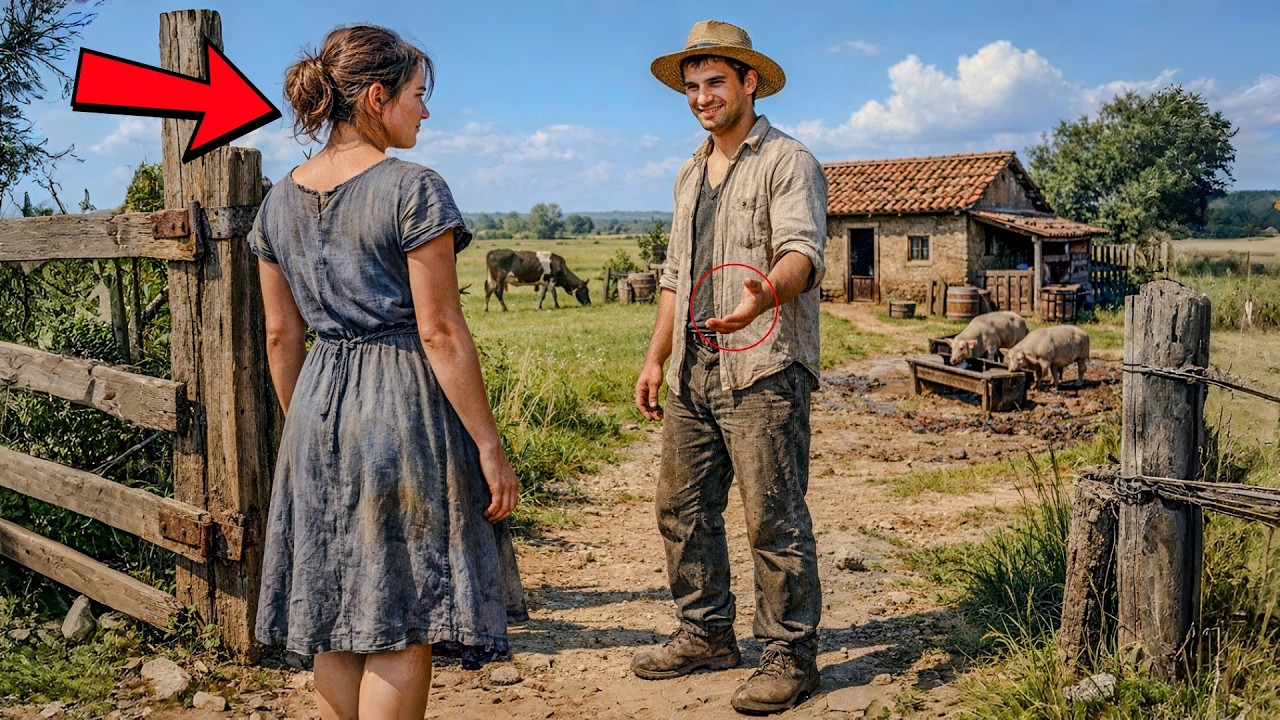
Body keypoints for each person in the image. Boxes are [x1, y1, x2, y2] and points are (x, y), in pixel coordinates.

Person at [248, 25, 519, 720]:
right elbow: (439, 330)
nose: (424, 112)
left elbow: (282, 335)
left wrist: (306, 424)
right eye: (418, 96)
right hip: (401, 405)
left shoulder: (277, 201)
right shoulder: (414, 190)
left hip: (313, 409)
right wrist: (489, 444)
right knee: (405, 609)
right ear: (376, 97)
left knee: (333, 611)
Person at [631, 19, 828, 716]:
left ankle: (789, 653)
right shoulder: (690, 170)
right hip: (692, 371)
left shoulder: (788, 161)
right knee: (680, 509)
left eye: (715, 82)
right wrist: (656, 357)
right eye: (692, 86)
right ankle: (706, 632)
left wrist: (762, 297)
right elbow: (674, 277)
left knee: (772, 518)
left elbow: (803, 253)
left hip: (765, 366)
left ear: (749, 82)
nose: (702, 97)